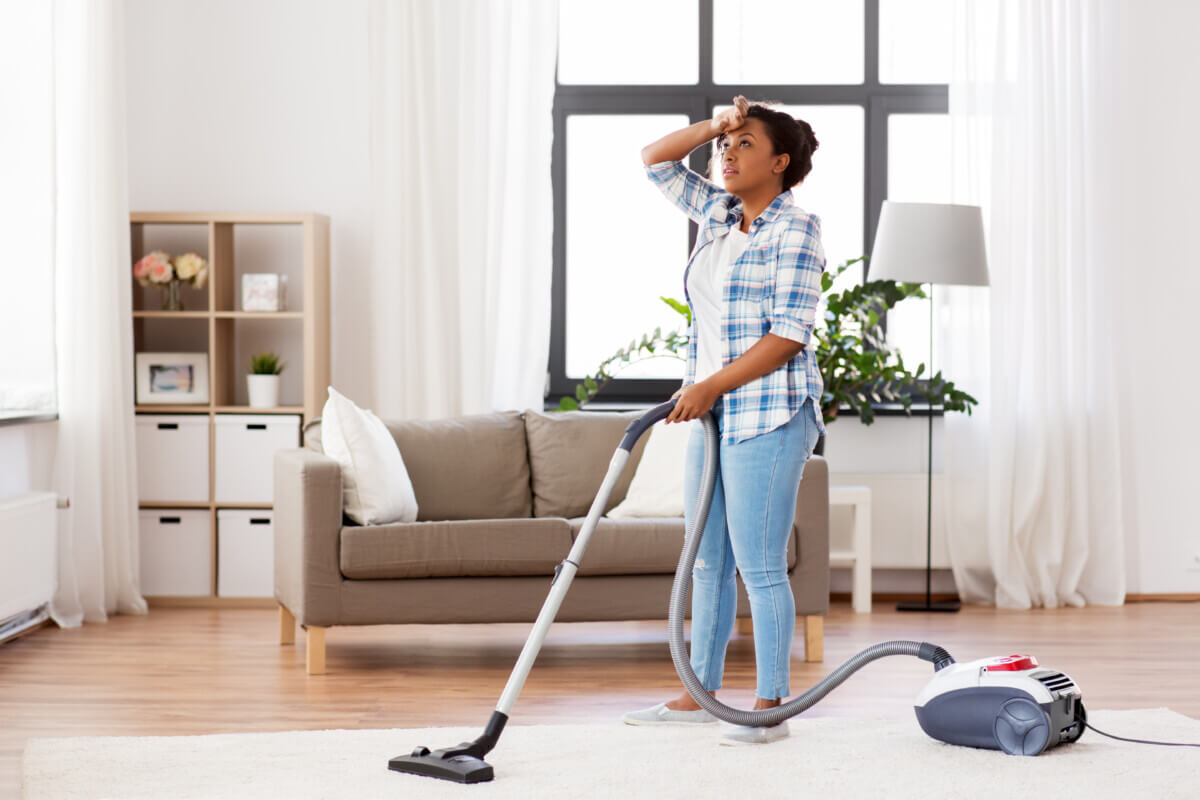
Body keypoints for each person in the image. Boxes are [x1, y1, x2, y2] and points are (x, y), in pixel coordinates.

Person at [622, 96, 827, 745]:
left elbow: (789, 335)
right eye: (723, 147)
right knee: (706, 560)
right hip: (711, 414)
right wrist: (715, 123)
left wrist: (710, 386)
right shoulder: (718, 216)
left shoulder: (796, 230)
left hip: (767, 414)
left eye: (744, 144)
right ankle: (697, 694)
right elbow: (655, 161)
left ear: (781, 161)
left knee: (759, 565)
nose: (727, 156)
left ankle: (769, 708)